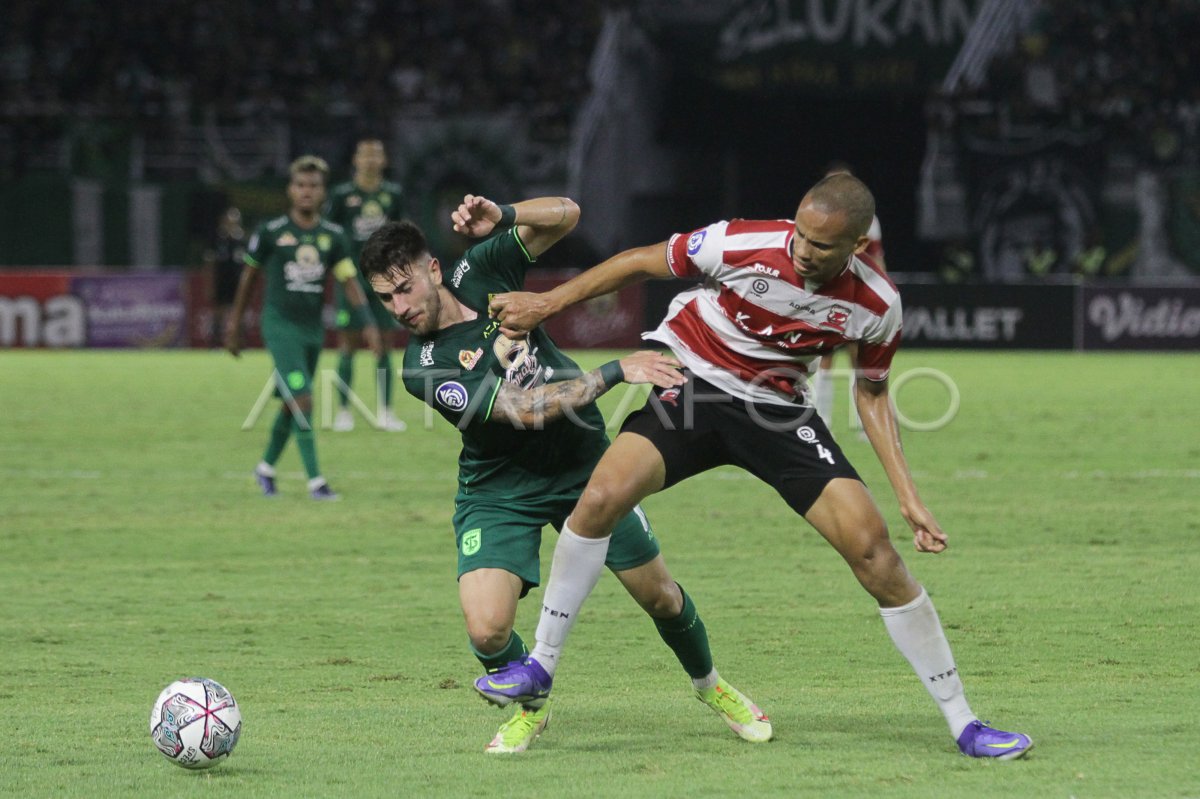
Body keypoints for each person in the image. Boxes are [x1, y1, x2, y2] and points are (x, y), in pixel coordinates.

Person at [481, 173, 1034, 760]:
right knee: (598, 500)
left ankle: (965, 723)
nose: (803, 249)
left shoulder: (877, 305)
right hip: (694, 388)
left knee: (877, 554)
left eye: (822, 246)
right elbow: (642, 260)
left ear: (856, 246)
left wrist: (908, 494)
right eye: (800, 234)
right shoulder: (743, 243)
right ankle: (541, 664)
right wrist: (547, 303)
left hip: (777, 415)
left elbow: (872, 392)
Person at [359, 195, 772, 753]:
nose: (399, 307)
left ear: (433, 270)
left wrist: (504, 216)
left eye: (404, 288)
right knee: (486, 629)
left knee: (663, 599)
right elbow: (521, 411)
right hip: (499, 488)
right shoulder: (421, 366)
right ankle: (533, 707)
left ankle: (711, 686)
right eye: (385, 298)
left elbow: (569, 214)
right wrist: (614, 371)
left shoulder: (478, 270)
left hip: (584, 467)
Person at [225, 155, 382, 500]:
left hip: (312, 332)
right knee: (304, 400)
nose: (307, 192)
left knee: (291, 403)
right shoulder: (271, 233)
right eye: (300, 185)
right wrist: (234, 323)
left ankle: (265, 468)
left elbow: (349, 281)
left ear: (323, 192)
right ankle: (316, 482)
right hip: (280, 328)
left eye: (313, 186)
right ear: (290, 190)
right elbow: (248, 278)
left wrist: (368, 323)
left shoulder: (333, 236)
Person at [324, 137, 408, 432]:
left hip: (384, 279)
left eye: (377, 154)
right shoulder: (342, 194)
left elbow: (400, 234)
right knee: (347, 344)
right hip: (351, 280)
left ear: (384, 161)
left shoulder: (392, 194)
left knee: (384, 344)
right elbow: (329, 233)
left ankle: (385, 411)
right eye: (365, 154)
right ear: (355, 160)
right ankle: (343, 412)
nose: (371, 160)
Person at [812, 162, 884, 432]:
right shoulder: (815, 217)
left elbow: (877, 259)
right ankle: (822, 420)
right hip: (826, 296)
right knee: (824, 358)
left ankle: (864, 421)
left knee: (859, 358)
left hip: (858, 298)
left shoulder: (868, 219)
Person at [206, 205, 247, 348]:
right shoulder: (217, 238)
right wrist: (210, 284)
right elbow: (211, 262)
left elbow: (248, 264)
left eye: (235, 220)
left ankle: (240, 342)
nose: (232, 223)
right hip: (222, 280)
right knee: (219, 312)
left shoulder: (242, 239)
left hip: (237, 281)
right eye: (229, 220)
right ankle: (215, 343)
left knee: (239, 311)